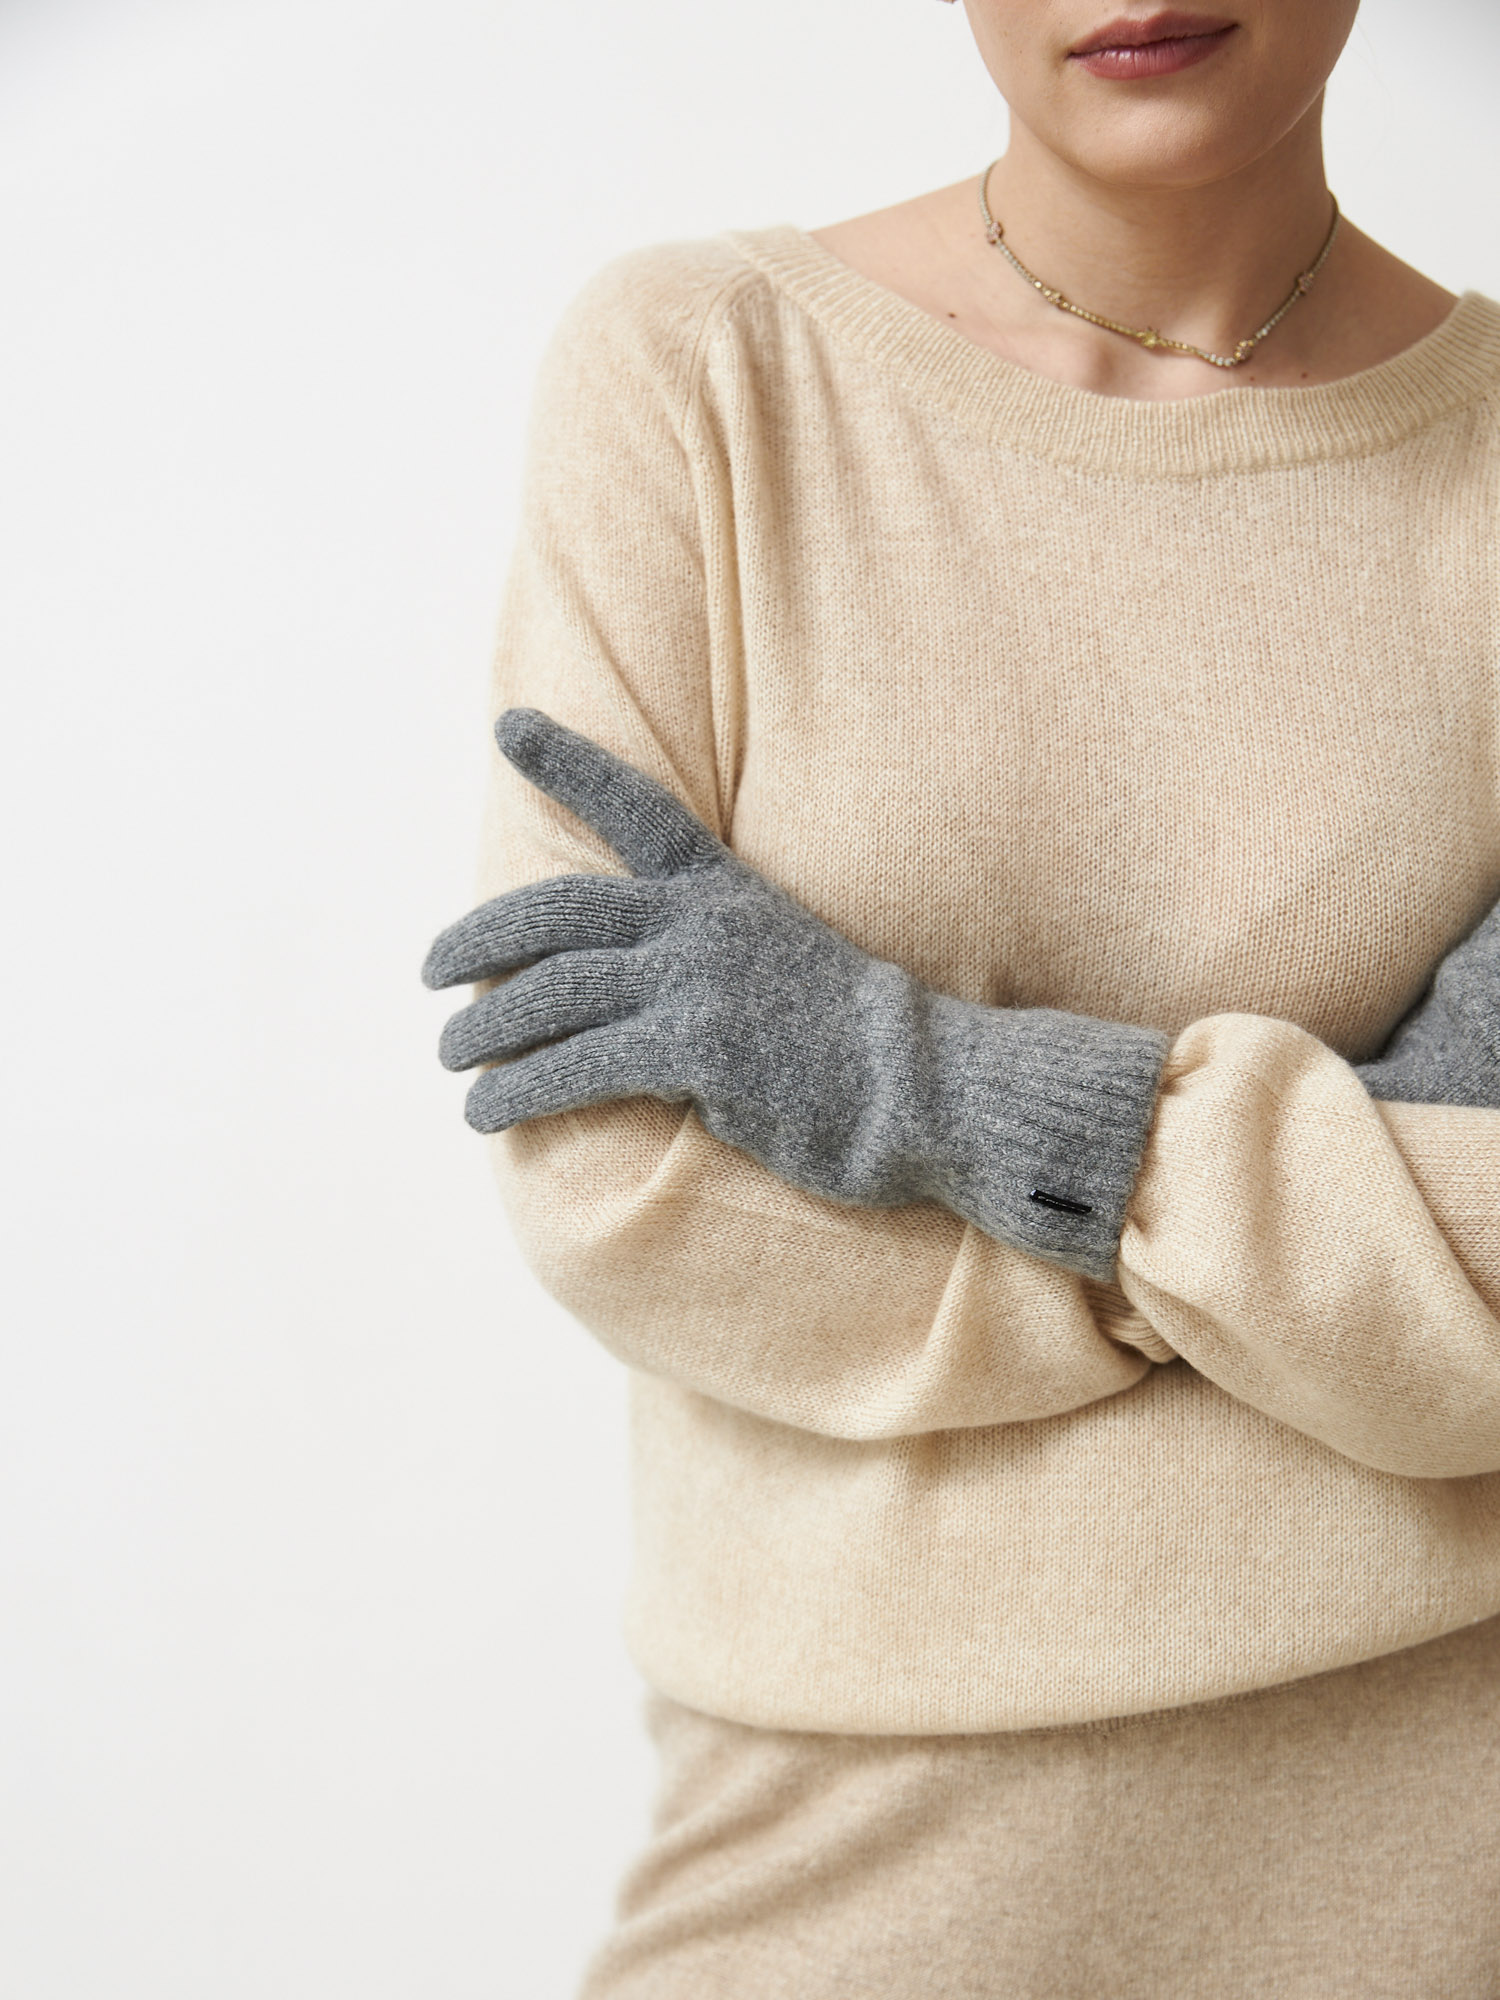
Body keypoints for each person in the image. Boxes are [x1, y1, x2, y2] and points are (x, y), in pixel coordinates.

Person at [424, 3, 1500, 1992]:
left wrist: (920, 1092)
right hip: (843, 1838)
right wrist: (1339, 1260)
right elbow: (616, 1181)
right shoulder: (709, 376)